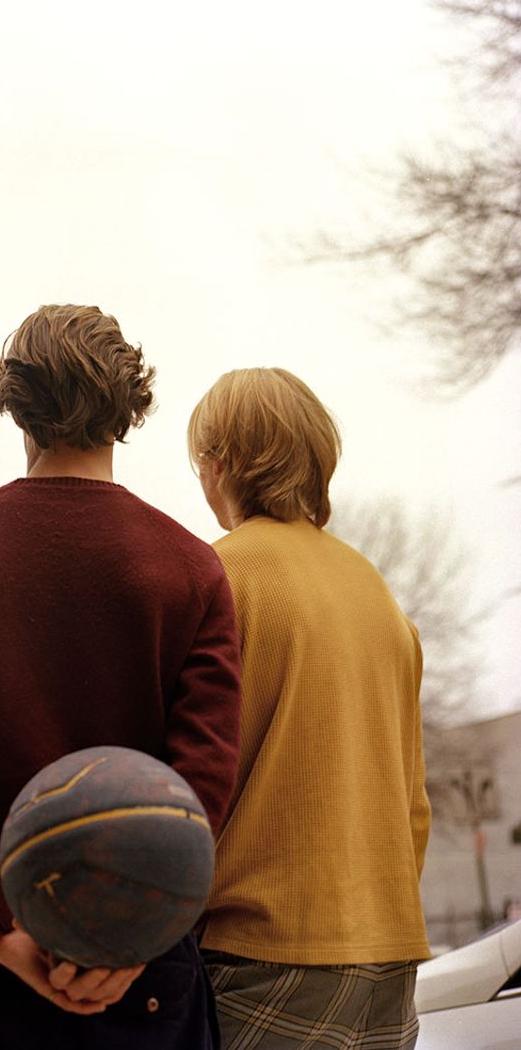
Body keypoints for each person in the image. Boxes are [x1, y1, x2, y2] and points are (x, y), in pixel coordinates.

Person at [0, 304, 242, 1050]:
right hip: (145, 967)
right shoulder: (192, 568)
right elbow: (204, 776)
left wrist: (1, 933)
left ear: (17, 407)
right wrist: (132, 940)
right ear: (129, 406)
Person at [187, 368, 431, 1050]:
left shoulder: (216, 577)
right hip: (390, 952)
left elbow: (181, 783)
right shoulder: (380, 596)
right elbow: (414, 806)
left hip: (262, 953)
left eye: (200, 460)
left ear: (222, 462)